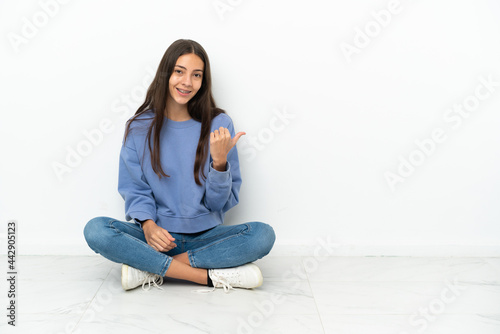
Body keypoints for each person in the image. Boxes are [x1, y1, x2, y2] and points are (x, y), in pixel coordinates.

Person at [83, 39, 275, 292]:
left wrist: (219, 163)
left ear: (203, 81)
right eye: (179, 71)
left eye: (197, 75)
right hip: (155, 238)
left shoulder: (220, 124)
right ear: (166, 74)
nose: (187, 82)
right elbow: (135, 188)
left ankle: (150, 268)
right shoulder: (139, 127)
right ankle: (207, 277)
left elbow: (218, 205)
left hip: (206, 238)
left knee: (262, 235)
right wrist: (149, 226)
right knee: (96, 230)